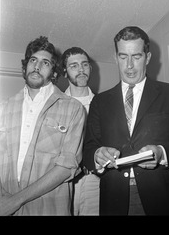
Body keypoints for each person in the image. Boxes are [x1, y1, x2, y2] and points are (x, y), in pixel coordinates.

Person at [83, 26, 169, 215]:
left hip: (165, 198)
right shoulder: (99, 101)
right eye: (123, 57)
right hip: (114, 200)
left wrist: (162, 153)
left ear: (147, 57)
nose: (129, 65)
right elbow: (88, 149)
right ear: (116, 58)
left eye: (136, 57)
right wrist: (98, 154)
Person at [0, 36, 85, 216]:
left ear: (54, 73)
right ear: (25, 67)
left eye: (45, 63)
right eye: (33, 60)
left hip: (50, 209)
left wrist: (16, 200)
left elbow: (66, 167)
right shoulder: (4, 108)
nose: (37, 66)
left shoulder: (73, 108)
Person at [61, 47, 99, 216]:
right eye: (74, 66)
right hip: (63, 181)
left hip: (95, 181)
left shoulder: (103, 104)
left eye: (84, 64)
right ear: (64, 72)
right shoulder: (55, 105)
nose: (81, 69)